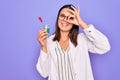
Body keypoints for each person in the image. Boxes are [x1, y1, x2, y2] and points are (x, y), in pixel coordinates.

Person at [36, 4, 111, 80]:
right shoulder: (48, 42)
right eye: (62, 16)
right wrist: (43, 46)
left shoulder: (82, 40)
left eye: (70, 17)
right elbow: (44, 72)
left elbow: (105, 46)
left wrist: (82, 24)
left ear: (74, 21)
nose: (65, 19)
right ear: (58, 18)